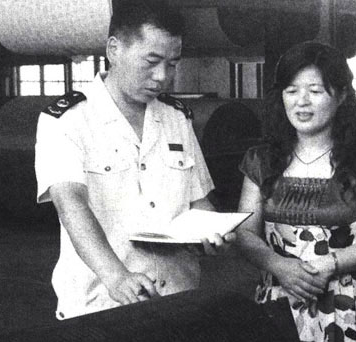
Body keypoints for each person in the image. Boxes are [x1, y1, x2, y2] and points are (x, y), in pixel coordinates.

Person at [34, 0, 234, 320]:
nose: (162, 76)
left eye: (172, 64)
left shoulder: (176, 118)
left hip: (178, 298)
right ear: (114, 49)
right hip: (101, 305)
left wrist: (214, 233)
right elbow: (70, 203)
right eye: (151, 61)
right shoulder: (67, 120)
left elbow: (198, 201)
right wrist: (116, 276)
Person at [237, 41, 356, 342]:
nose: (301, 102)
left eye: (315, 90)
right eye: (291, 90)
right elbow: (244, 232)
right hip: (276, 300)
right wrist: (280, 266)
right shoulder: (261, 160)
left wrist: (329, 264)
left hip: (341, 305)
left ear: (341, 96)